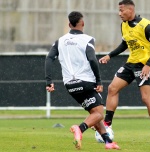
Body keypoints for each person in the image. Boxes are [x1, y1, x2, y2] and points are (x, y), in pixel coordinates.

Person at [45, 11, 120, 150]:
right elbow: (92, 59)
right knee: (99, 114)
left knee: (94, 114)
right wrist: (98, 81)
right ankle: (79, 128)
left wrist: (49, 81)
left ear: (69, 24)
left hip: (70, 85)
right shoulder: (87, 39)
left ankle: (108, 142)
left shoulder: (60, 41)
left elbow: (49, 58)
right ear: (83, 23)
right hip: (85, 82)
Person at [99, 0, 150, 143]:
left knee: (146, 99)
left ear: (130, 10)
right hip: (131, 63)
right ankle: (107, 124)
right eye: (119, 10)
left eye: (121, 10)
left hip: (145, 65)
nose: (119, 13)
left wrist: (148, 65)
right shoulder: (124, 25)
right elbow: (124, 44)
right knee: (112, 89)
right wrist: (110, 55)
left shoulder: (146, 25)